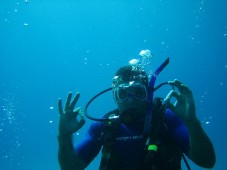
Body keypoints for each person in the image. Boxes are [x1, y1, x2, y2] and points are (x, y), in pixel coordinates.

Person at [57, 61, 215, 170]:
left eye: (138, 92)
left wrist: (193, 123)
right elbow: (72, 167)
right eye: (123, 94)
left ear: (148, 95)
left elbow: (207, 161)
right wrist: (64, 137)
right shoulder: (104, 126)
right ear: (114, 97)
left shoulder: (166, 118)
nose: (130, 100)